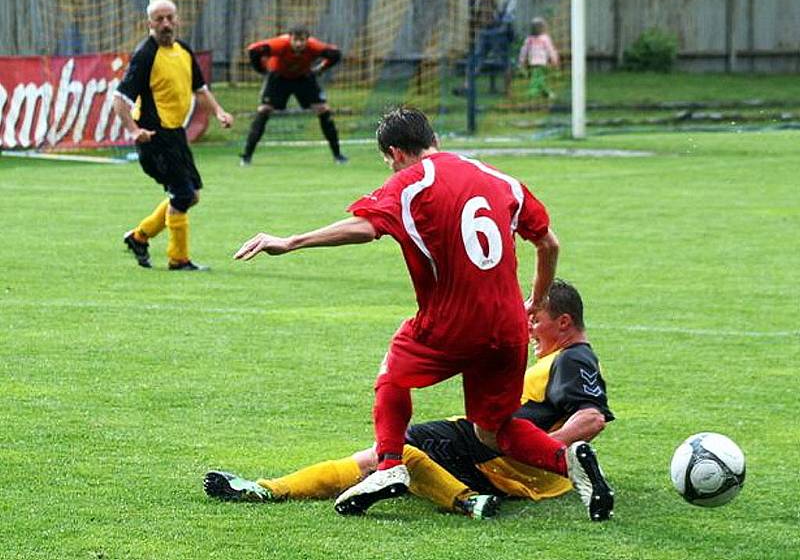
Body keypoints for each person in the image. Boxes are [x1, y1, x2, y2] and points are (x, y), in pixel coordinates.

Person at [233, 107, 614, 521]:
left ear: (395, 153)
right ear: (435, 139)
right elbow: (549, 244)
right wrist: (536, 301)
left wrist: (290, 241)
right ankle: (569, 461)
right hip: (507, 326)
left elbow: (365, 227)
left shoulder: (412, 181)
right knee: (494, 429)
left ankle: (389, 466)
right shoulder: (501, 180)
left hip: (452, 319)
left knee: (392, 372)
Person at [203, 279, 614, 521]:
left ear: (563, 322)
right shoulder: (564, 358)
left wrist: (549, 454)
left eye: (535, 320)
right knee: (401, 461)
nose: (527, 329)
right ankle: (470, 501)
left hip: (502, 453)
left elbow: (592, 418)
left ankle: (266, 490)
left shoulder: (573, 357)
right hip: (506, 467)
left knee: (387, 453)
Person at [113, 0, 233, 271]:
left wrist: (219, 112)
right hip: (155, 138)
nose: (165, 24)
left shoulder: (184, 51)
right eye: (159, 19)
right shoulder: (145, 55)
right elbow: (119, 98)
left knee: (191, 195)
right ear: (149, 24)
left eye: (169, 18)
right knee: (182, 196)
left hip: (175, 135)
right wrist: (134, 131)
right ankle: (178, 259)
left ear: (177, 19)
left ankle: (139, 236)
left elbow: (200, 89)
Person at [239, 25, 346, 166]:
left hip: (303, 77)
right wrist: (262, 69)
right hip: (279, 77)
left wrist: (321, 68)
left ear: (307, 40)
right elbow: (253, 50)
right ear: (290, 38)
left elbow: (335, 54)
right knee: (264, 110)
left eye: (302, 40)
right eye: (295, 40)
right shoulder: (280, 44)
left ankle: (338, 156)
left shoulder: (314, 47)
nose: (298, 44)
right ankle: (246, 157)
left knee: (323, 109)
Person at [457, 0, 517, 95]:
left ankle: (508, 90)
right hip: (482, 29)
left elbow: (511, 5)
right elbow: (467, 1)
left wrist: (505, 24)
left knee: (504, 59)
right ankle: (467, 87)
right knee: (476, 57)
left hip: (498, 27)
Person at [518, 17, 560, 100]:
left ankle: (534, 93)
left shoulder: (545, 38)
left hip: (542, 63)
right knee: (538, 79)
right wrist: (522, 61)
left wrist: (554, 59)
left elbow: (550, 49)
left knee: (537, 79)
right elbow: (524, 50)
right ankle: (545, 93)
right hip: (533, 63)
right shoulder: (529, 39)